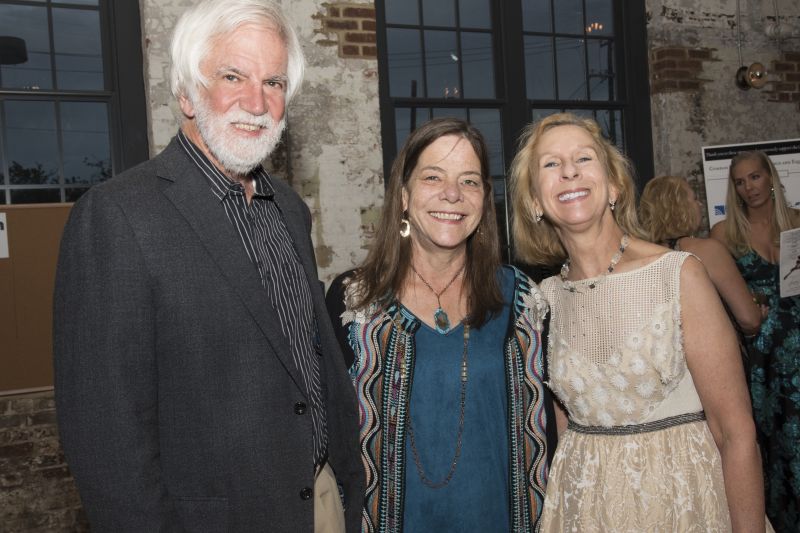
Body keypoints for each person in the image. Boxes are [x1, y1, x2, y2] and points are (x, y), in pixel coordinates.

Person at [53, 1, 363, 531]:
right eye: (232, 76)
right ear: (186, 93)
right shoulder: (117, 216)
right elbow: (106, 439)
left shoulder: (289, 209)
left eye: (273, 82)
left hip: (321, 501)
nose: (257, 103)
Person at [510, 113, 769, 531]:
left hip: (682, 502)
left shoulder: (677, 274)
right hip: (585, 509)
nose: (569, 171)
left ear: (614, 186)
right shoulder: (545, 299)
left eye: (584, 158)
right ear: (535, 202)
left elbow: (736, 434)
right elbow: (564, 426)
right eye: (551, 163)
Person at [325, 117, 554, 532]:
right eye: (433, 177)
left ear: (484, 198)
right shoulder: (353, 302)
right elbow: (327, 433)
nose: (452, 193)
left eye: (469, 181)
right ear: (404, 195)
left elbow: (551, 434)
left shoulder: (523, 300)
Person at [710, 150, 800, 532]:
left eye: (755, 177)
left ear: (771, 177)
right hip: (761, 357)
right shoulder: (724, 234)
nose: (749, 187)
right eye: (740, 182)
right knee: (773, 446)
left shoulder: (797, 222)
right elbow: (715, 300)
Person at [639, 175, 764, 337]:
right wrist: (757, 317)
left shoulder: (641, 256)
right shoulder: (707, 250)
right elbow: (749, 319)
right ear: (680, 207)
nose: (700, 204)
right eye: (694, 199)